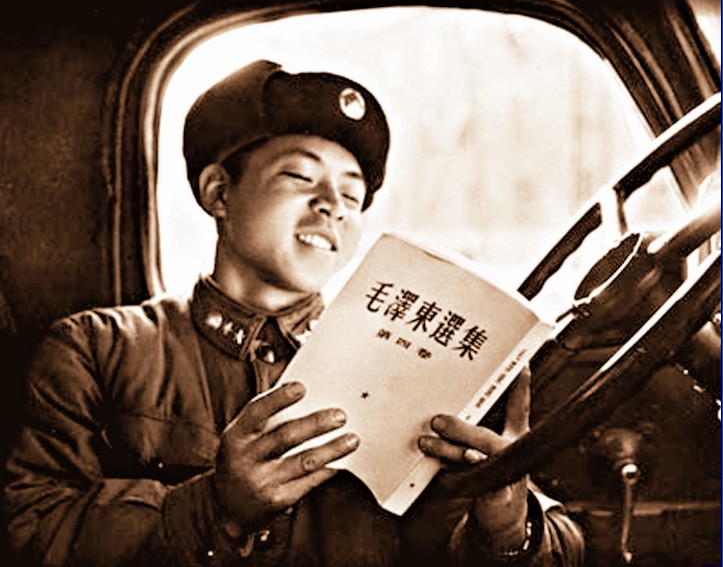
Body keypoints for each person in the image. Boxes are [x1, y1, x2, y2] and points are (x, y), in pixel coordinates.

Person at [2, 60, 584, 566]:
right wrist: (213, 508)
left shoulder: (407, 355)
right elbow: (27, 530)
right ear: (219, 192)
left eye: (352, 195)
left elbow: (563, 544)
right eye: (300, 176)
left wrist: (508, 527)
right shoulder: (95, 348)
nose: (333, 206)